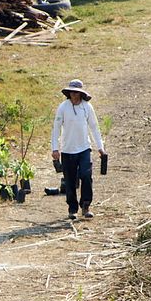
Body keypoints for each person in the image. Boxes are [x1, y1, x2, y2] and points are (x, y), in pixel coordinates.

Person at [51, 79, 107, 220]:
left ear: (81, 93)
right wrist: (55, 148)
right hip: (67, 150)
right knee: (69, 181)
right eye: (72, 92)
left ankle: (86, 205)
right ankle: (72, 208)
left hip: (84, 148)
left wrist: (100, 147)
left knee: (86, 176)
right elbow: (56, 128)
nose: (74, 95)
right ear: (69, 93)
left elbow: (94, 127)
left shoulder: (87, 107)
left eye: (77, 92)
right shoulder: (63, 107)